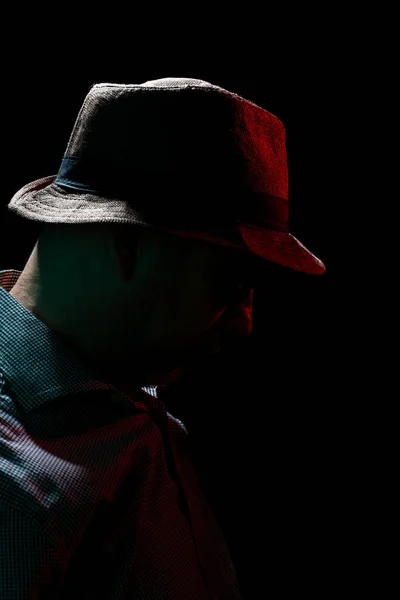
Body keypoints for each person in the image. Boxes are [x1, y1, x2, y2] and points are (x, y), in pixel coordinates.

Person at [0, 77, 325, 599]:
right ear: (128, 243)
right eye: (231, 284)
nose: (244, 324)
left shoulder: (117, 386)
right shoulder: (13, 487)